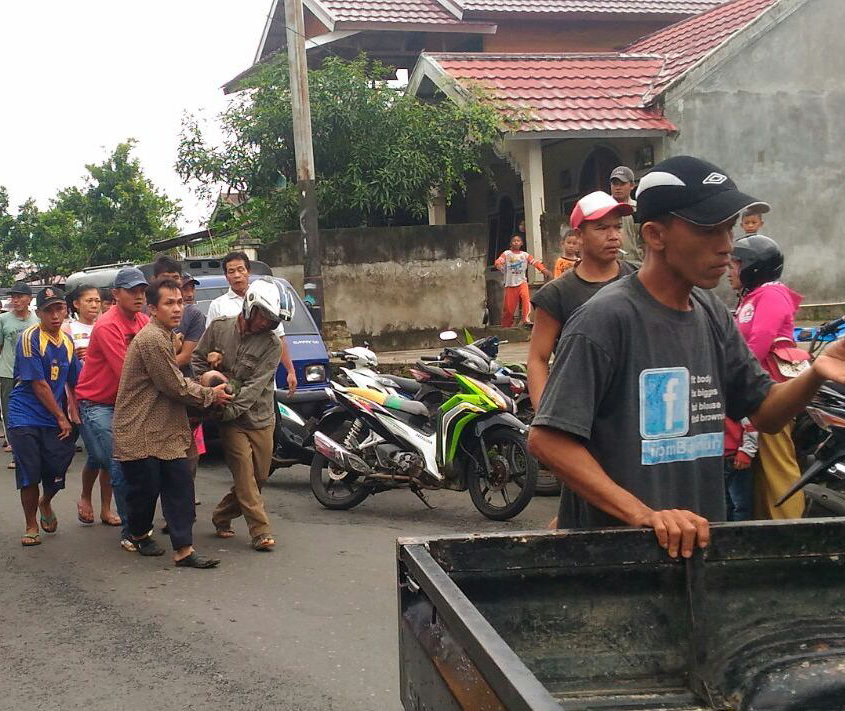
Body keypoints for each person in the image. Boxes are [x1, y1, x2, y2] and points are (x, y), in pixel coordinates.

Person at [528, 155, 845, 560]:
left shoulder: (711, 312)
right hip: (613, 564)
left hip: (694, 552)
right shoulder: (604, 319)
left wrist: (817, 373)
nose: (727, 246)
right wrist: (645, 515)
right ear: (656, 235)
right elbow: (548, 440)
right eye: (709, 230)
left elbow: (764, 411)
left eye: (728, 229)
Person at [113, 279, 231, 567]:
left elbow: (175, 384)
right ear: (153, 308)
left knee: (180, 487)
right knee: (146, 491)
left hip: (166, 429)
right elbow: (174, 386)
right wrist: (208, 394)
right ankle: (139, 533)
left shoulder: (166, 335)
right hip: (139, 429)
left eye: (180, 302)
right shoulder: (152, 338)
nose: (177, 308)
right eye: (169, 303)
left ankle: (183, 550)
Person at [193, 279, 287, 552]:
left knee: (260, 478)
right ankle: (260, 531)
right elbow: (197, 360)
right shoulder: (219, 328)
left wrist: (230, 406)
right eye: (262, 316)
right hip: (230, 420)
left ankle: (222, 514)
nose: (265, 324)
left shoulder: (271, 344)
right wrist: (210, 380)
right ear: (250, 308)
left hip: (259, 416)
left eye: (271, 320)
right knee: (245, 478)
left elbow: (256, 387)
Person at [528, 191, 636, 410]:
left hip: (635, 408)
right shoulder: (556, 294)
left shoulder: (639, 279)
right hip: (581, 409)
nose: (613, 235)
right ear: (579, 236)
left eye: (617, 227)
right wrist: (544, 417)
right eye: (602, 228)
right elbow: (538, 359)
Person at [730, 235, 806, 519]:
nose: (729, 269)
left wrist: (733, 376)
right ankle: (766, 530)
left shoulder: (771, 294)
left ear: (753, 266)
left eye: (736, 263)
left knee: (777, 465)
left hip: (772, 393)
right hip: (757, 393)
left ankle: (790, 530)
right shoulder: (752, 297)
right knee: (761, 468)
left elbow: (760, 342)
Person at [75, 267, 149, 551]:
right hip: (98, 404)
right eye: (132, 291)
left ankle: (93, 498)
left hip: (125, 403)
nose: (138, 296)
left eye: (142, 290)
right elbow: (127, 372)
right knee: (118, 464)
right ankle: (133, 532)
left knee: (102, 456)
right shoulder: (107, 326)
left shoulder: (143, 322)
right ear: (116, 294)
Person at [8, 287, 81, 547]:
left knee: (57, 469)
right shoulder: (30, 338)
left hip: (54, 416)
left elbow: (76, 381)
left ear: (65, 310)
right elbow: (38, 384)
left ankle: (45, 502)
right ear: (38, 313)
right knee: (29, 471)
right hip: (25, 414)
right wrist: (62, 418)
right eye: (48, 310)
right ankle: (30, 524)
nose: (55, 315)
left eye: (59, 309)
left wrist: (81, 412)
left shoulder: (68, 343)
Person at [63, 285, 120, 526]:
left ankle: (106, 508)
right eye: (89, 300)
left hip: (110, 396)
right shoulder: (68, 329)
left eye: (97, 300)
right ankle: (86, 496)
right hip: (82, 399)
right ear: (76, 304)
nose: (95, 305)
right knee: (99, 453)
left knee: (107, 454)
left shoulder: (106, 326)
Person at [206, 252, 297, 393]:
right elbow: (211, 343)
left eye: (240, 269)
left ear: (248, 271)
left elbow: (280, 338)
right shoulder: (217, 305)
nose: (237, 275)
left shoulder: (268, 299)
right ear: (226, 276)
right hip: (231, 384)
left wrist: (290, 371)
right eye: (231, 271)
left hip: (263, 383)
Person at [0, 282, 38, 465]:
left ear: (29, 299)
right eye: (13, 297)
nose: (15, 300)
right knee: (10, 413)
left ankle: (32, 448)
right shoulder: (4, 320)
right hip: (8, 372)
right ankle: (16, 452)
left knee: (32, 409)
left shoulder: (37, 320)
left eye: (20, 296)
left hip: (31, 372)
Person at [495, 235, 551, 328]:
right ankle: (506, 325)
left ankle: (526, 320)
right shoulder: (507, 253)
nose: (516, 242)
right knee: (509, 309)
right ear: (510, 243)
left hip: (522, 282)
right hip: (510, 284)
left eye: (518, 241)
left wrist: (543, 270)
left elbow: (535, 262)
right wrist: (498, 264)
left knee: (526, 299)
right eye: (514, 241)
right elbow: (499, 260)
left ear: (521, 243)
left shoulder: (525, 255)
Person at [723, 417, 758, 521]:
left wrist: (746, 451)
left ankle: (740, 535)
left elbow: (751, 424)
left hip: (734, 457)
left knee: (740, 505)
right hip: (712, 457)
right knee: (722, 504)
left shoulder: (734, 403)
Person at [610, 165, 643, 265]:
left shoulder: (639, 209)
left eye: (622, 184)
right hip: (611, 264)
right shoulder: (603, 209)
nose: (618, 188)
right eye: (615, 184)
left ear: (632, 185)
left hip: (637, 264)